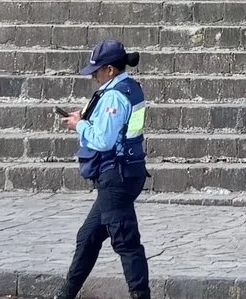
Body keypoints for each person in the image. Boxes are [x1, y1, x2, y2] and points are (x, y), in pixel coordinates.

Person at [55, 39, 151, 299]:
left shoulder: (114, 96)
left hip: (116, 175)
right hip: (125, 172)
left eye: (96, 70)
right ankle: (65, 294)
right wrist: (84, 117)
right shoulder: (127, 87)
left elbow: (104, 139)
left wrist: (79, 126)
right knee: (88, 237)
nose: (93, 75)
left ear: (110, 69)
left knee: (126, 241)